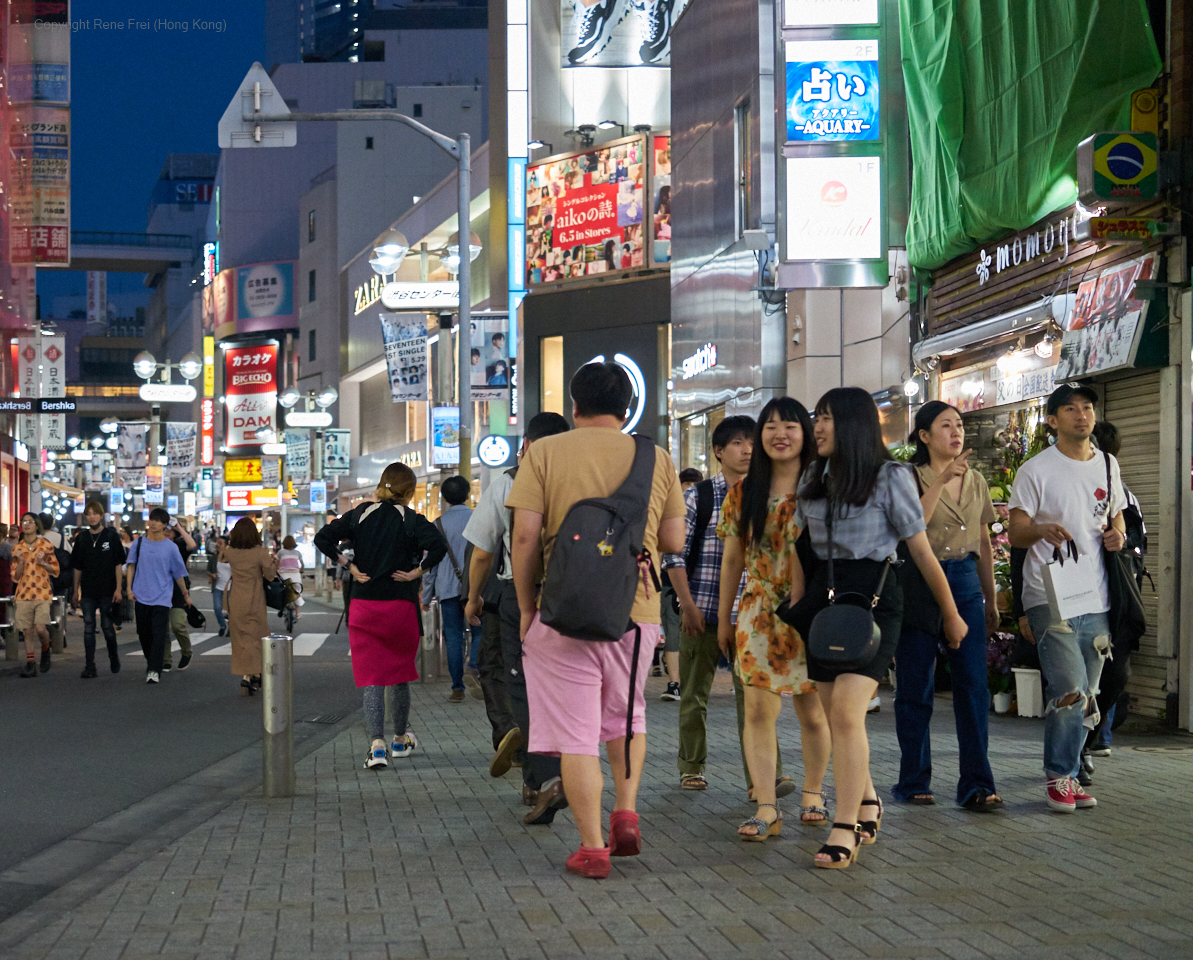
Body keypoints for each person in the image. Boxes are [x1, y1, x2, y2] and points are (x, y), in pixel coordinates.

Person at [507, 361, 686, 879]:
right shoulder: (657, 458)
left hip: (560, 609)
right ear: (628, 407)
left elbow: (524, 538)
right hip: (636, 611)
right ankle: (625, 811)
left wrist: (525, 607)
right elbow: (673, 541)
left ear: (574, 405)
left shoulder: (544, 452)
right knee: (626, 715)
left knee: (575, 733)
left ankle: (591, 848)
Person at [781, 387, 967, 868]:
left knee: (845, 712)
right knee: (832, 713)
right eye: (815, 418)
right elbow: (799, 552)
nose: (816, 427)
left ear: (854, 425)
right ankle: (866, 800)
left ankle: (844, 827)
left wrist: (951, 613)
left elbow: (920, 551)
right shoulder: (812, 478)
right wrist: (797, 607)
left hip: (877, 599)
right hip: (825, 601)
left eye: (826, 418)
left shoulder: (891, 477)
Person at [714, 400, 833, 839]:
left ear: (805, 432)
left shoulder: (825, 485)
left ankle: (813, 793)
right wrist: (725, 619)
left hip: (813, 610)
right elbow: (732, 560)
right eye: (770, 425)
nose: (778, 433)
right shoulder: (744, 492)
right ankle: (766, 806)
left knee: (815, 713)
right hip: (759, 613)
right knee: (759, 712)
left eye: (789, 425)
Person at [665, 416, 798, 801]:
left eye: (752, 443)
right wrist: (686, 606)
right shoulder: (698, 497)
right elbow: (672, 557)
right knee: (693, 694)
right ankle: (691, 767)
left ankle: (764, 779)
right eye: (738, 444)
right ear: (719, 451)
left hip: (754, 619)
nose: (747, 450)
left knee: (757, 699)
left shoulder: (769, 494)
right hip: (702, 611)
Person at [1008, 383, 1126, 813]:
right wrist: (1040, 529)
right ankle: (1059, 776)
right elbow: (1016, 531)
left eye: (1088, 408)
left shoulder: (1108, 465)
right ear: (1053, 420)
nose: (1082, 415)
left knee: (1089, 692)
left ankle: (1072, 773)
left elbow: (1115, 517)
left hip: (1095, 596)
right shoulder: (1035, 470)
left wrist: (1119, 535)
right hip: (1049, 594)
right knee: (1069, 689)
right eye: (1071, 409)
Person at [892, 402, 1002, 810]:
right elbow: (910, 526)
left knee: (973, 686)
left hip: (966, 581)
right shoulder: (907, 477)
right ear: (924, 436)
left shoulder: (975, 480)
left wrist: (990, 597)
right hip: (919, 582)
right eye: (946, 426)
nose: (956, 433)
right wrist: (939, 482)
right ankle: (913, 780)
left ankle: (977, 784)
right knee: (915, 686)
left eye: (959, 425)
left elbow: (985, 541)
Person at [462, 412, 571, 808]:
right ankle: (569, 772)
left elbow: (482, 553)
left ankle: (538, 779)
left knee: (523, 685)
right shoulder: (580, 478)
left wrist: (474, 598)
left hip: (518, 594)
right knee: (565, 686)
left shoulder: (508, 482)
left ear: (525, 445)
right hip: (573, 595)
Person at [315, 463, 447, 769]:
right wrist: (417, 571)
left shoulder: (360, 514)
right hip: (400, 607)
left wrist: (348, 565)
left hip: (365, 607)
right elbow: (439, 546)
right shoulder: (412, 519)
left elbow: (323, 538)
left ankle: (376, 747)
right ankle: (400, 738)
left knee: (373, 680)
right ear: (410, 492)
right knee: (399, 677)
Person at [1084, 420, 1145, 761]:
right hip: (1090, 597)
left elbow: (1135, 541)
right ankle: (1087, 743)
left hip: (1118, 596)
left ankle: (1094, 738)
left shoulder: (1121, 494)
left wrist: (1118, 537)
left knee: (1112, 671)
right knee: (1093, 673)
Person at [422, 476, 481, 703]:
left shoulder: (437, 525)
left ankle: (457, 689)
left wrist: (426, 596)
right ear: (467, 495)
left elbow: (430, 565)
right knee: (480, 632)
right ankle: (473, 665)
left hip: (447, 590)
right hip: (476, 590)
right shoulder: (479, 520)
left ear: (444, 498)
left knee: (454, 638)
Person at [126, 509, 192, 685]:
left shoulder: (171, 547)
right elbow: (131, 567)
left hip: (163, 597)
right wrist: (129, 589)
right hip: (141, 595)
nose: (153, 523)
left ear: (165, 525)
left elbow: (178, 574)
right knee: (143, 633)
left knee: (159, 634)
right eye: (151, 519)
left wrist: (185, 595)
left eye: (157, 520)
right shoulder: (138, 543)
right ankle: (152, 661)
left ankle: (154, 669)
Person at [222, 518, 279, 695]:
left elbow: (221, 557)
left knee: (241, 640)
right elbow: (270, 575)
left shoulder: (230, 552)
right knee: (257, 637)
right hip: (255, 599)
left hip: (236, 599)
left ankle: (248, 676)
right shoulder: (259, 552)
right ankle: (253, 673)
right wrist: (274, 561)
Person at [72, 501, 126, 678]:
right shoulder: (81, 538)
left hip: (108, 589)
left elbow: (119, 564)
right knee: (88, 627)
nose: (92, 516)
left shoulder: (111, 536)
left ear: (101, 515)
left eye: (95, 513)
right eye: (89, 514)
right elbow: (77, 567)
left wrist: (119, 588)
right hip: (87, 590)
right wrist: (75, 591)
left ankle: (113, 655)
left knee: (106, 626)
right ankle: (90, 666)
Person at [12, 513, 59, 678]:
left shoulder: (45, 545)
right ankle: (30, 663)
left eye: (30, 522)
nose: (26, 524)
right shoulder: (17, 548)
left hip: (42, 592)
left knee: (41, 628)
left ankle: (46, 648)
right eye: (24, 522)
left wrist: (43, 563)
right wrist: (20, 563)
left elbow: (56, 570)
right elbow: (15, 577)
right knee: (27, 631)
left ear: (36, 525)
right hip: (23, 593)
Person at [163, 522, 197, 672]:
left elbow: (192, 545)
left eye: (169, 530)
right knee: (163, 627)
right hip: (160, 590)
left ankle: (187, 651)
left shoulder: (179, 546)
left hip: (178, 591)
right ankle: (166, 659)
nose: (166, 532)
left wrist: (179, 527)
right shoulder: (155, 545)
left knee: (178, 625)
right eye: (165, 529)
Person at [277, 535, 305, 620]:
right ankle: (297, 613)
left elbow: (276, 563)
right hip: (295, 574)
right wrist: (299, 570)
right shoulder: (297, 553)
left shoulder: (280, 552)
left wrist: (277, 571)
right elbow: (302, 565)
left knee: (283, 590)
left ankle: (283, 606)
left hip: (284, 574)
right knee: (297, 591)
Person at [210, 536, 231, 637]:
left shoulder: (231, 557)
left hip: (230, 588)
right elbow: (208, 570)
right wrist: (212, 575)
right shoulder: (214, 557)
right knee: (217, 608)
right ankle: (222, 626)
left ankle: (231, 627)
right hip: (218, 587)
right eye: (218, 543)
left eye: (221, 543)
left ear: (226, 545)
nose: (218, 545)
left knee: (230, 610)